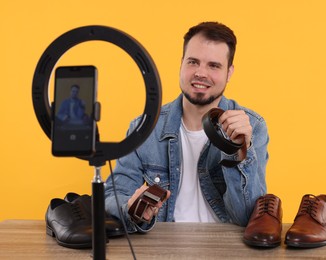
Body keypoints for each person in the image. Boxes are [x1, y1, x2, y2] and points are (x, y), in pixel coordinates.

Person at [104, 21, 269, 233]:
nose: (201, 73)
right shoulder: (145, 128)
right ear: (181, 64)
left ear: (229, 72)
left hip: (227, 250)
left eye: (214, 65)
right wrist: (131, 208)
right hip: (162, 249)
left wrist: (238, 150)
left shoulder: (252, 127)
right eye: (193, 62)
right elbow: (111, 198)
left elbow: (248, 217)